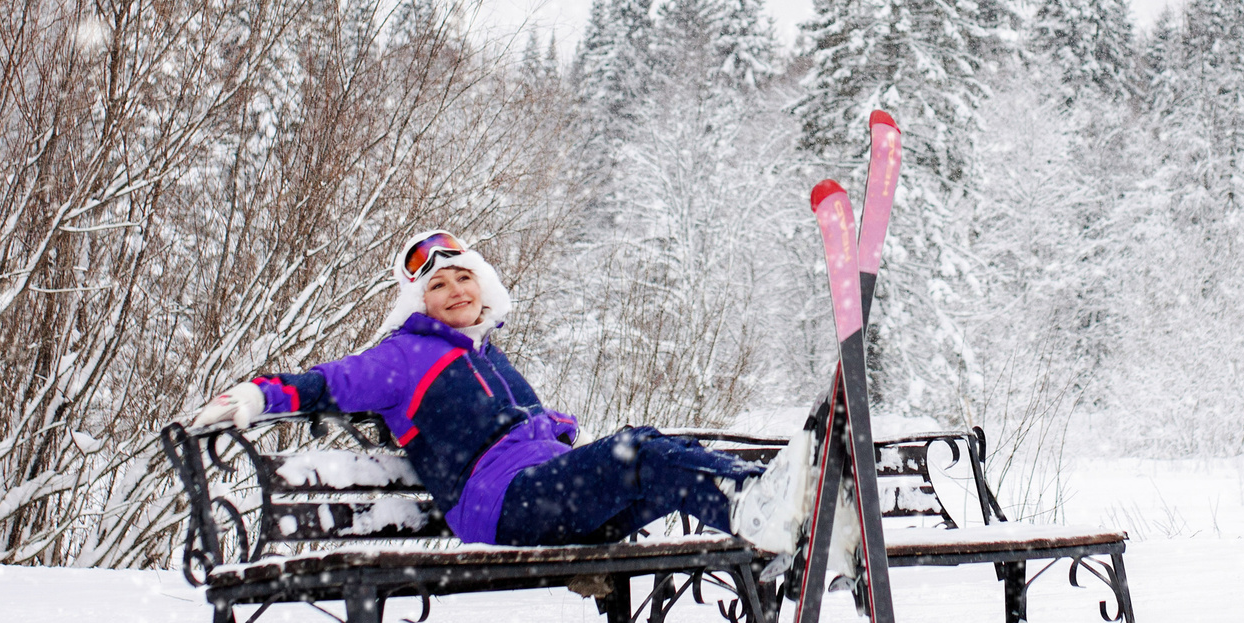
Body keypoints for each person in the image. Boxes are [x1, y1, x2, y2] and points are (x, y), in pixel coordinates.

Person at [191, 230, 805, 551]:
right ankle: (765, 506)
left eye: (465, 277)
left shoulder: (490, 356)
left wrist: (576, 441)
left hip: (546, 496)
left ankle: (785, 524)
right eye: (439, 286)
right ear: (419, 302)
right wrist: (254, 397)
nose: (456, 291)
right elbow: (330, 383)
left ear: (483, 288)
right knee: (638, 451)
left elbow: (539, 429)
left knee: (661, 461)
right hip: (503, 504)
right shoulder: (403, 356)